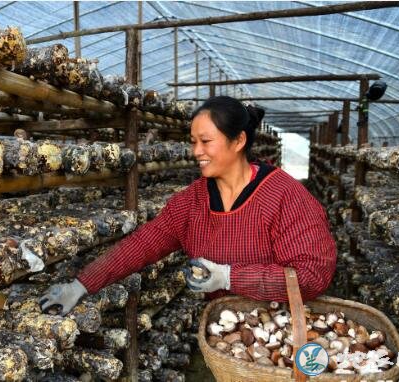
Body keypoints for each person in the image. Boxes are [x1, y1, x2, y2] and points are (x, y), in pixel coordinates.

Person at [39, 96, 337, 315]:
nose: (196, 152)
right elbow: (143, 244)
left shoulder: (286, 196)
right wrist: (81, 285)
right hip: (225, 333)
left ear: (238, 141)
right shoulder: (193, 202)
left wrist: (229, 277)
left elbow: (312, 275)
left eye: (206, 141)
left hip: (279, 331)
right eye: (193, 141)